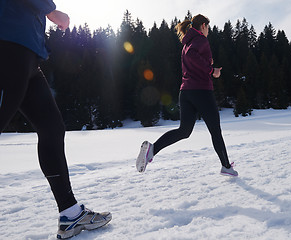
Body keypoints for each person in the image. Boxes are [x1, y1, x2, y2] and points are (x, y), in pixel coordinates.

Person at [0, 0, 111, 238]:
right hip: (8, 46)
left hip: (27, 53)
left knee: (52, 128)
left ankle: (70, 213)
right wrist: (50, 9)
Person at [136, 14, 238, 177]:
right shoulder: (201, 40)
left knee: (184, 131)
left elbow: (192, 58)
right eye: (208, 28)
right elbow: (193, 56)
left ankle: (152, 150)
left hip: (186, 92)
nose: (208, 31)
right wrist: (212, 70)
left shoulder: (187, 43)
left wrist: (207, 65)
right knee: (215, 130)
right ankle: (226, 166)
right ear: (203, 26)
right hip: (201, 91)